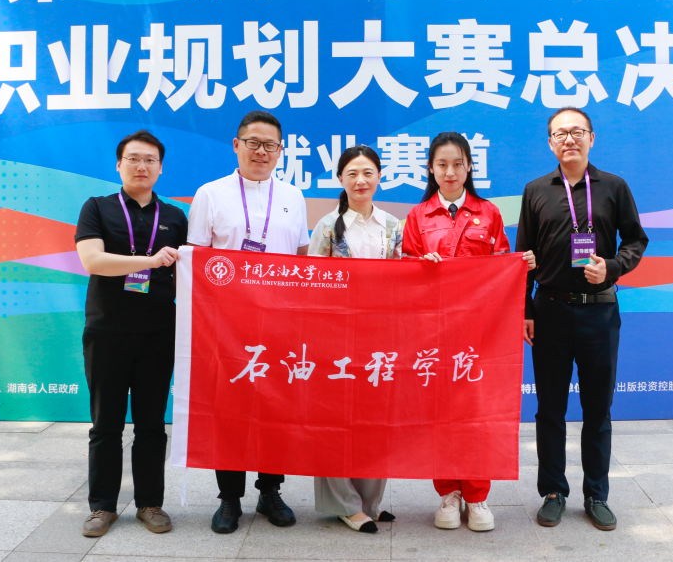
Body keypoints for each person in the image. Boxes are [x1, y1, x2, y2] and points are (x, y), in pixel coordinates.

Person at [516, 107, 648, 532]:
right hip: (550, 312)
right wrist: (526, 310)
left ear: (592, 138)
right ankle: (553, 492)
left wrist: (612, 267)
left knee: (597, 409)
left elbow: (636, 240)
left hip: (600, 313)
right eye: (560, 134)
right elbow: (524, 256)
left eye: (577, 132)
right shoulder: (536, 191)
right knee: (550, 409)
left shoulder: (613, 187)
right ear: (549, 143)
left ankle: (596, 494)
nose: (569, 139)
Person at [402, 131, 536, 533]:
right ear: (430, 168)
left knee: (478, 414)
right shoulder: (418, 216)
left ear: (470, 167)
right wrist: (418, 266)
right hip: (434, 334)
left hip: (480, 334)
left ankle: (477, 495)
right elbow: (403, 271)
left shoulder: (488, 213)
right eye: (442, 164)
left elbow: (501, 267)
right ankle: (448, 492)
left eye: (458, 164)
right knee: (439, 413)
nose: (450, 172)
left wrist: (520, 264)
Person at [187, 110, 310, 534]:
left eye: (270, 145)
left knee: (276, 408)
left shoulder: (293, 195)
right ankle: (228, 498)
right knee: (228, 411)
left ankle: (270, 490)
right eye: (253, 143)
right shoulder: (210, 194)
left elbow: (302, 259)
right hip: (226, 326)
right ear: (237, 145)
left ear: (280, 150)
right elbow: (196, 261)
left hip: (280, 324)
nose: (261, 151)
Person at [74, 130, 188, 537]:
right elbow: (92, 260)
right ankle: (102, 507)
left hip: (158, 332)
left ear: (160, 168)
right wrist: (149, 261)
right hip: (107, 330)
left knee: (152, 423)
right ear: (119, 164)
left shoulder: (175, 216)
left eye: (150, 160)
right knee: (105, 423)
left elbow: (187, 274)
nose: (142, 166)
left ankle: (150, 504)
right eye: (134, 159)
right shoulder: (97, 208)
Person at [307, 145, 403, 533]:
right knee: (336, 418)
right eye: (352, 174)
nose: (360, 181)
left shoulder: (392, 225)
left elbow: (402, 277)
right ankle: (344, 503)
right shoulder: (328, 226)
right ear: (340, 179)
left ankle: (370, 502)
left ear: (379, 176)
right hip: (337, 336)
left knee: (375, 419)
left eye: (367, 173)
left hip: (380, 334)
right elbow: (313, 282)